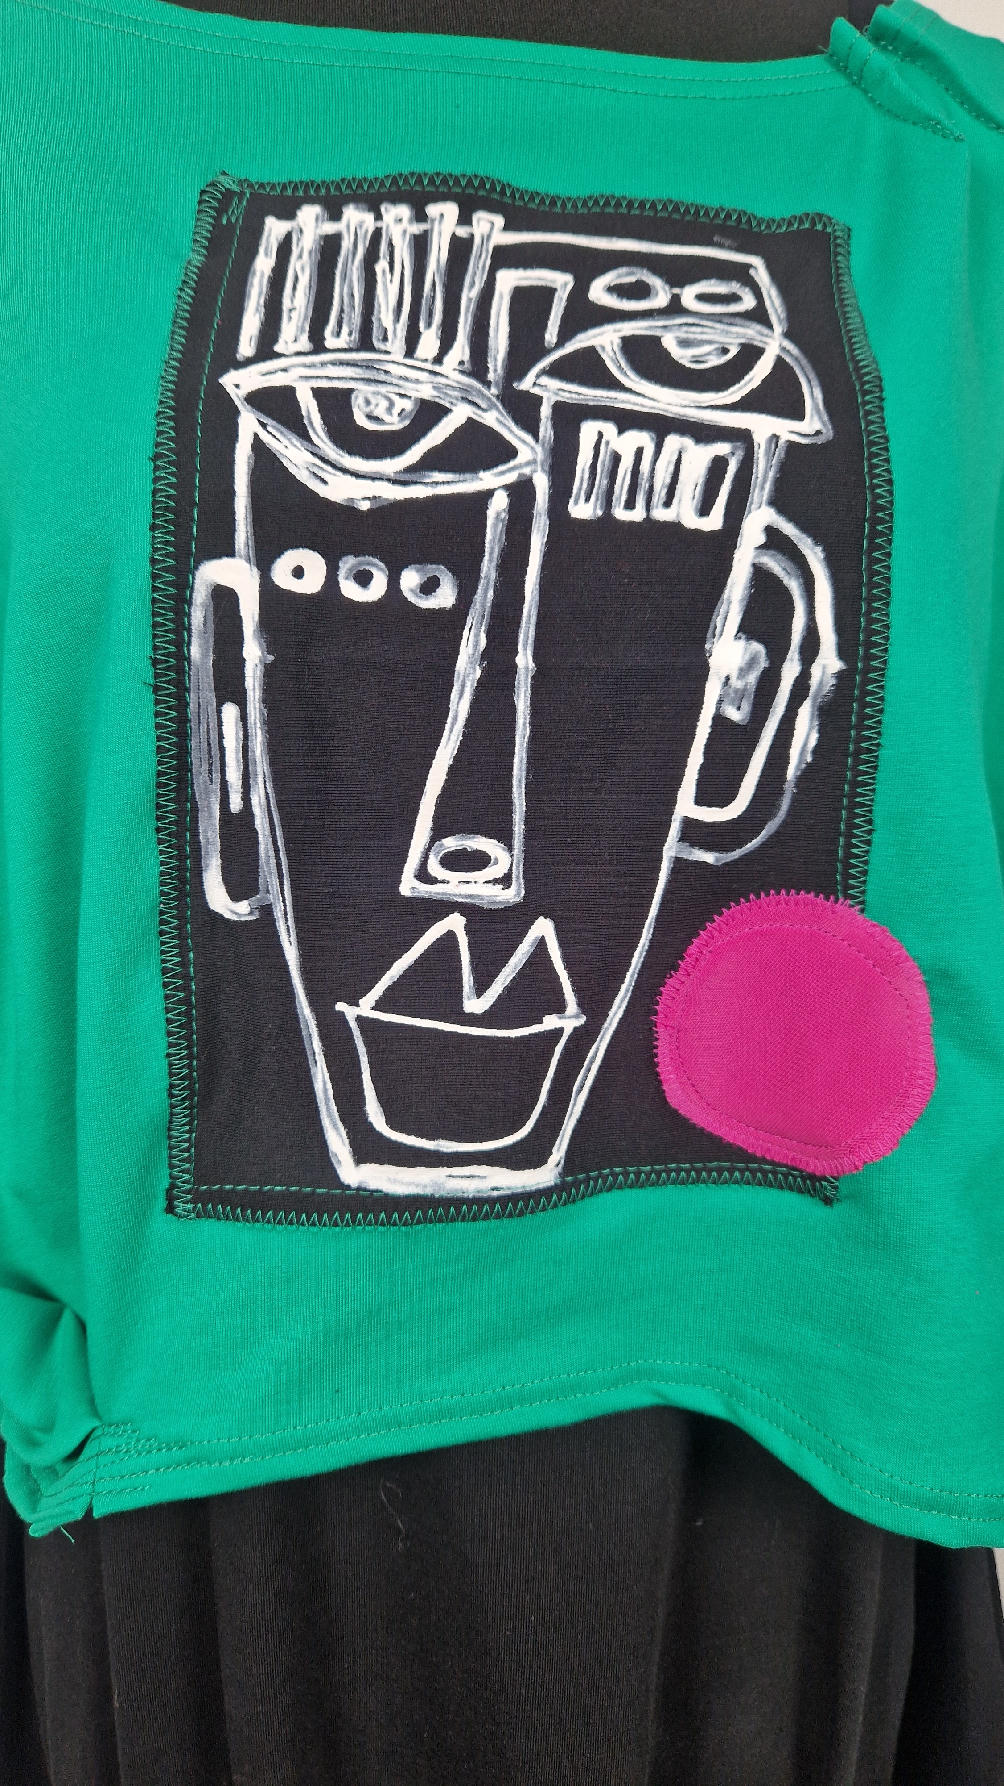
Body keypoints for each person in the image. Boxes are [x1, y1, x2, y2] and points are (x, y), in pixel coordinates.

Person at [1, 1, 1002, 1781]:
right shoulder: (46, 122)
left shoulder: (941, 169)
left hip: (792, 1519)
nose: (472, 843)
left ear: (758, 698)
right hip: (174, 1516)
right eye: (368, 545)